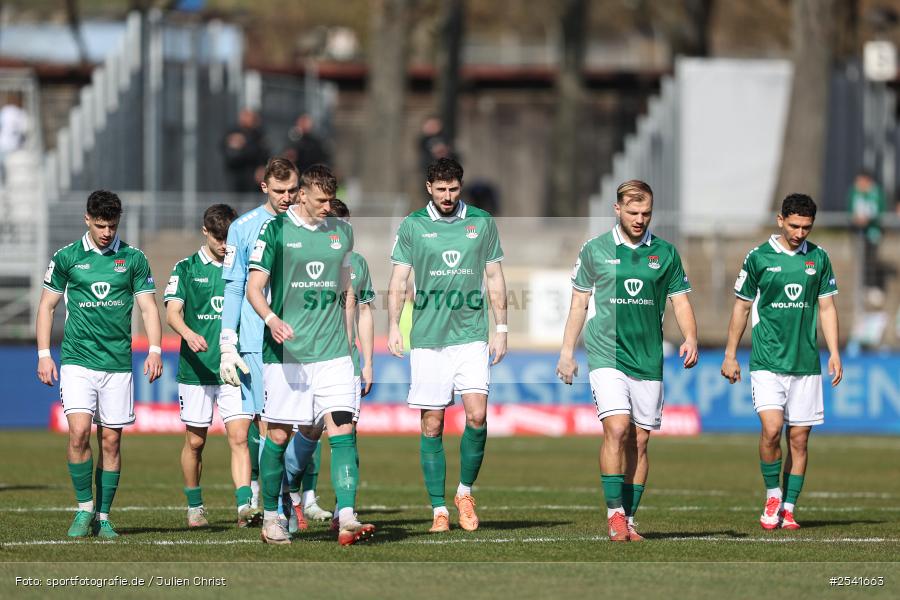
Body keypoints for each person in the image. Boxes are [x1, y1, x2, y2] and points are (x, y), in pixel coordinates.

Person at [556, 180, 698, 543]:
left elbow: (680, 301)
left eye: (646, 213)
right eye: (632, 212)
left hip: (648, 358)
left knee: (640, 440)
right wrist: (567, 352)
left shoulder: (665, 254)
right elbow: (579, 303)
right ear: (616, 210)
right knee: (617, 429)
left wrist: (691, 337)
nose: (639, 219)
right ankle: (615, 515)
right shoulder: (595, 250)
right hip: (607, 354)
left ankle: (630, 520)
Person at [246, 165, 374, 546]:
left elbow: (351, 293)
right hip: (287, 355)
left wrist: (359, 350)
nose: (326, 206)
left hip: (334, 353)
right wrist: (271, 319)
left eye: (330, 200)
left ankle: (346, 514)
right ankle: (272, 516)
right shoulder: (275, 231)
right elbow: (255, 288)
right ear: (301, 195)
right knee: (280, 436)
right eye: (320, 200)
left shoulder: (342, 233)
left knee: (343, 429)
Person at [387, 157, 508, 534]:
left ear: (461, 186)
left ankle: (464, 493)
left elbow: (494, 276)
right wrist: (393, 325)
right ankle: (439, 508)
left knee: (477, 415)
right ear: (429, 188)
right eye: (440, 189)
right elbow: (399, 280)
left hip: (471, 335)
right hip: (428, 339)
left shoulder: (481, 222)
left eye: (453, 189)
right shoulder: (412, 226)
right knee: (432, 423)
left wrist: (501, 327)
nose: (447, 196)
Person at [36, 190, 163, 539]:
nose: (107, 232)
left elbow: (149, 307)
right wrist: (44, 354)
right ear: (87, 219)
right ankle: (83, 510)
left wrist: (154, 349)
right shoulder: (67, 258)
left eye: (112, 225)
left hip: (118, 364)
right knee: (78, 433)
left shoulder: (133, 259)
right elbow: (47, 306)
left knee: (110, 442)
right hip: (77, 360)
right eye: (101, 225)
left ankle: (104, 516)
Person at [219, 157, 332, 522]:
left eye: (292, 190)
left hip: (308, 342)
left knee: (310, 423)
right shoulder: (244, 227)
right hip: (258, 341)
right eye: (280, 191)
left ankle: (294, 496)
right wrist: (227, 341)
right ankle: (278, 502)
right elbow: (236, 287)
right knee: (268, 425)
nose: (287, 197)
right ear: (264, 187)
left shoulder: (311, 225)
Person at [721, 193, 842, 531]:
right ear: (780, 220)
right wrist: (730, 354)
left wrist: (834, 351)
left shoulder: (818, 258)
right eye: (794, 225)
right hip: (767, 361)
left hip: (805, 363)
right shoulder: (758, 257)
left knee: (799, 440)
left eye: (806, 227)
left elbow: (828, 307)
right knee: (772, 430)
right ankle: (773, 493)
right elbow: (742, 307)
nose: (800, 232)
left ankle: (789, 508)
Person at [165, 204, 259, 528]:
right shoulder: (186, 268)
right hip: (196, 369)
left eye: (228, 237)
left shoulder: (244, 266)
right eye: (218, 237)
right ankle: (195, 507)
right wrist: (189, 334)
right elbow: (173, 312)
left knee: (239, 437)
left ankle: (245, 507)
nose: (223, 244)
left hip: (233, 365)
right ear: (205, 232)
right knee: (195, 442)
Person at [847, 171, 886, 290]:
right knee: (860, 259)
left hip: (873, 232)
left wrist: (868, 219)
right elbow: (850, 209)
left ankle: (872, 286)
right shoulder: (854, 192)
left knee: (871, 259)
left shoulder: (876, 193)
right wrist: (855, 218)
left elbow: (880, 211)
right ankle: (862, 286)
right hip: (858, 232)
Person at [222, 108, 269, 193]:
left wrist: (262, 168)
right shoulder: (234, 132)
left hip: (254, 180)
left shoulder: (258, 134)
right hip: (237, 177)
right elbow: (232, 156)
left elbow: (263, 153)